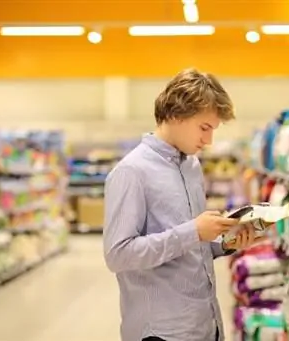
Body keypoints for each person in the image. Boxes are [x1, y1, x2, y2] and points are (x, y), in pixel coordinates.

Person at [103, 68, 260, 341]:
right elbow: (118, 255)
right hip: (162, 332)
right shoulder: (131, 172)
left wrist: (224, 243)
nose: (209, 140)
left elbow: (188, 246)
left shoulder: (191, 166)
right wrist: (194, 232)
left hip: (203, 324)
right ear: (176, 114)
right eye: (204, 127)